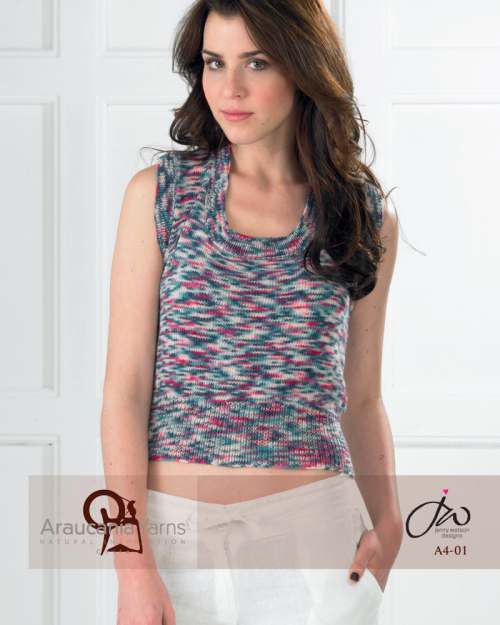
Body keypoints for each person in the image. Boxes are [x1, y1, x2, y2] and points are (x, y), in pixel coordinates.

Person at [100, 1, 402, 624]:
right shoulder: (161, 196)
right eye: (215, 62)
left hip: (318, 547)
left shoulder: (363, 215)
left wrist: (391, 521)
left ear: (302, 68)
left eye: (256, 63)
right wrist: (132, 568)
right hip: (173, 544)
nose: (229, 88)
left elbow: (363, 395)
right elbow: (124, 394)